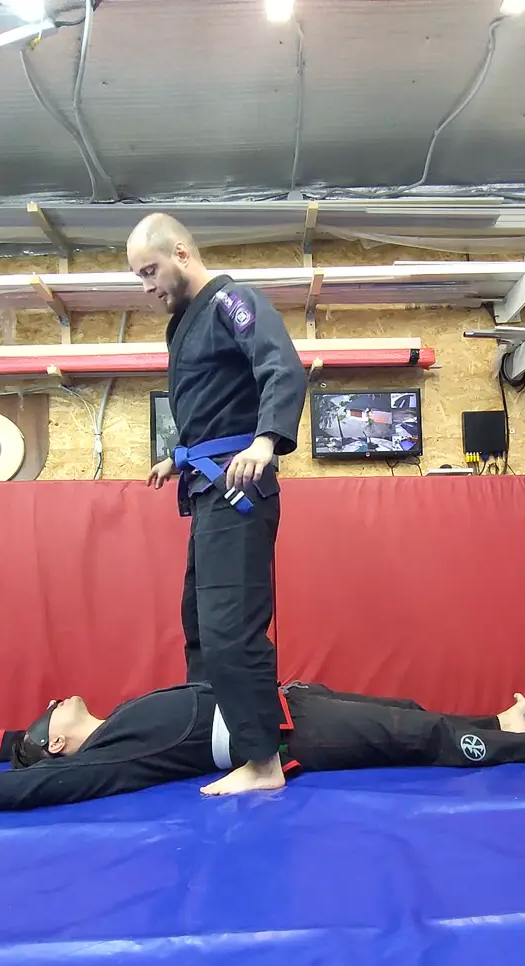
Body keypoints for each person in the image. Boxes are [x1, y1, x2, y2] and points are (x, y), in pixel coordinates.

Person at [126, 213, 307, 798]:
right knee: (201, 626)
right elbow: (215, 404)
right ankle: (215, 739)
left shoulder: (232, 301)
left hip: (238, 486)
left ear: (181, 253)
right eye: (139, 276)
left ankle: (263, 761)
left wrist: (265, 440)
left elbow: (281, 367)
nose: (146, 286)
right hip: (206, 486)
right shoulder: (184, 324)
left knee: (231, 627)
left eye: (150, 271)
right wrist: (177, 457)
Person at [0, 682, 525, 812]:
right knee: (420, 738)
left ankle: (500, 722)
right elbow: (34, 783)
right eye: (49, 712)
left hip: (289, 701)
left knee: (408, 711)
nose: (56, 699)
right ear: (56, 741)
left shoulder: (119, 718)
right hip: (293, 735)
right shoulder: (113, 752)